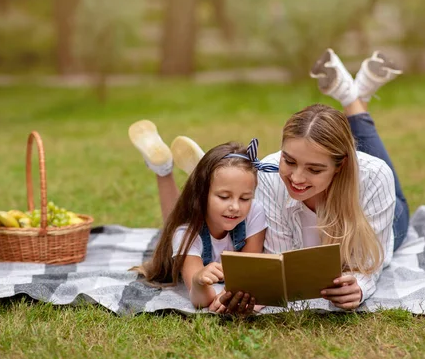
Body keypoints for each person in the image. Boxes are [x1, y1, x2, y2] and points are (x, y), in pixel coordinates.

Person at [136, 48, 409, 313]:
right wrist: (252, 294)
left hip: (389, 215)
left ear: (340, 167)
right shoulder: (268, 174)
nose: (297, 179)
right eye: (289, 161)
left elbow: (372, 261)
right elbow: (277, 260)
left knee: (370, 156)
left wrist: (359, 285)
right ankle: (355, 94)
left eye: (314, 170)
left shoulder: (373, 177)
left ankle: (351, 98)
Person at [128, 124, 274, 313]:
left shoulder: (255, 211)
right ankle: (162, 168)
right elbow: (199, 301)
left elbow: (248, 270)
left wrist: (227, 294)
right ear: (202, 195)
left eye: (245, 198)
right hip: (188, 229)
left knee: (219, 186)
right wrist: (198, 281)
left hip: (205, 203)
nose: (236, 207)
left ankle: (206, 171)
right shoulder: (186, 234)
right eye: (224, 197)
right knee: (173, 223)